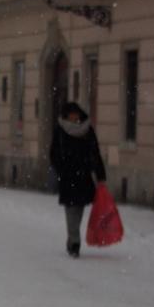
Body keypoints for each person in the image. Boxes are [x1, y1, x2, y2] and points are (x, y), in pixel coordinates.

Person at [49, 102, 106, 258]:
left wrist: (100, 175)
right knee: (70, 209)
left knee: (79, 209)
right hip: (68, 177)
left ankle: (73, 238)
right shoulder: (60, 130)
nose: (74, 116)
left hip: (83, 176)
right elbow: (54, 153)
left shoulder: (87, 130)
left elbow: (95, 153)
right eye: (71, 114)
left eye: (76, 114)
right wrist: (61, 168)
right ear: (66, 115)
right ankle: (75, 241)